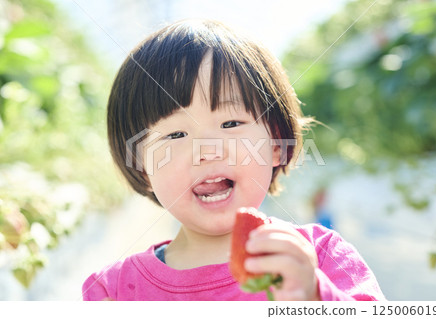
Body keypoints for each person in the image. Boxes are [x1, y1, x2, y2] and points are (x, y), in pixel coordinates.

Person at [82, 19, 385, 301]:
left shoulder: (319, 255)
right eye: (175, 135)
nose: (207, 150)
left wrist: (313, 298)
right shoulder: (115, 291)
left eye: (230, 124)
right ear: (143, 167)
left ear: (277, 144)